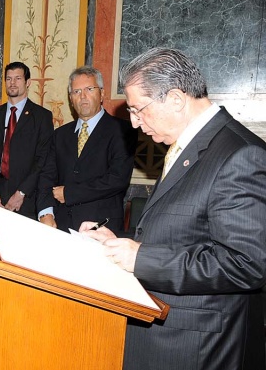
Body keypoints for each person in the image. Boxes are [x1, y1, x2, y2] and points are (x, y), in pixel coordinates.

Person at [81, 47, 266, 370]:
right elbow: (184, 231)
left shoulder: (240, 155)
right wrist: (117, 241)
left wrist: (141, 258)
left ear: (177, 100)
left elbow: (245, 263)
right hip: (165, 334)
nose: (136, 124)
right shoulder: (186, 145)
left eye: (139, 110)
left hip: (195, 347)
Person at [36, 66, 136, 233]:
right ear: (70, 98)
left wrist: (70, 193)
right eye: (76, 92)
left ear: (102, 93)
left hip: (102, 228)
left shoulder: (122, 130)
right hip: (60, 226)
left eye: (89, 89)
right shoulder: (60, 134)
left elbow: (117, 179)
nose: (82, 96)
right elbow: (46, 176)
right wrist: (45, 212)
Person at [0, 62, 54, 219]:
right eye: (8, 79)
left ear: (27, 82)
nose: (12, 83)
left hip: (26, 197)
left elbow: (42, 159)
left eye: (18, 78)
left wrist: (21, 193)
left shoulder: (41, 117)